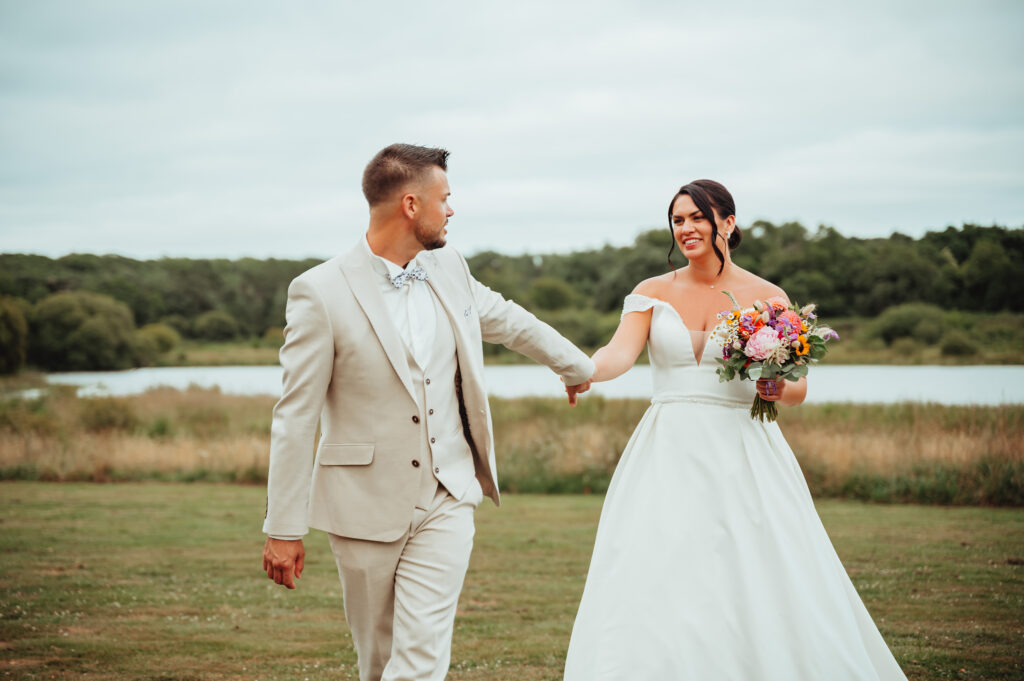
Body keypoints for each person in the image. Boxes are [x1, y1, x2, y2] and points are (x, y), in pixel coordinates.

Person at [261, 143, 594, 681]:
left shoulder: (450, 268)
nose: (452, 210)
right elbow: (295, 416)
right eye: (445, 198)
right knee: (377, 660)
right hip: (363, 503)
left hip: (449, 493)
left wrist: (575, 365)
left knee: (420, 658)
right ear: (411, 205)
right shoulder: (318, 292)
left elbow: (508, 321)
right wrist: (283, 525)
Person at [562, 180, 907, 680]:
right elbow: (617, 355)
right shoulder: (650, 292)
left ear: (727, 223)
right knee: (658, 558)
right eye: (678, 220)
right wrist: (582, 370)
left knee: (753, 563)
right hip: (668, 446)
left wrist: (773, 388)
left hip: (743, 446)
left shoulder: (767, 298)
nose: (686, 229)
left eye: (697, 217)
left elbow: (797, 386)